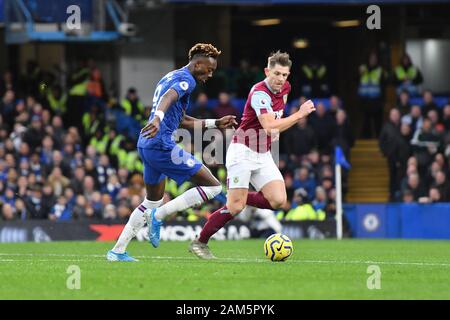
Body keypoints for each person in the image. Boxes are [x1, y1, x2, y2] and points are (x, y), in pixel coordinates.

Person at [107, 43, 237, 262]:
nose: (210, 74)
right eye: (209, 69)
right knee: (214, 187)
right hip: (160, 144)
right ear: (197, 65)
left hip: (146, 143)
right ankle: (158, 216)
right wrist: (157, 118)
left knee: (151, 202)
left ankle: (117, 251)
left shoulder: (171, 75)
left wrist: (216, 122)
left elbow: (183, 120)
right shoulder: (186, 80)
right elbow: (168, 97)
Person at [188, 51, 316, 259]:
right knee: (235, 208)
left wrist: (274, 131)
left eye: (285, 75)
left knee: (278, 200)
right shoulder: (259, 93)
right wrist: (299, 114)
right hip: (242, 152)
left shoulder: (286, 88)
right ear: (267, 71)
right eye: (276, 73)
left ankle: (237, 197)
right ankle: (200, 242)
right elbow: (268, 124)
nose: (280, 79)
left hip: (263, 153)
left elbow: (276, 117)